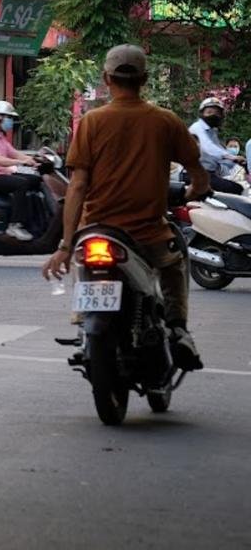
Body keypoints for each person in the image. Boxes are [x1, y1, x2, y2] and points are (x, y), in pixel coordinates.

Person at [43, 44, 208, 371]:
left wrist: (65, 245)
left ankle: (82, 324)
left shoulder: (91, 122)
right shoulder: (165, 122)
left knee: (83, 263)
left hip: (95, 231)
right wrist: (192, 192)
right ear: (144, 79)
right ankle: (177, 329)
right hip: (148, 235)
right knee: (175, 267)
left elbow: (77, 186)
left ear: (106, 78)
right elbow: (199, 176)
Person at [0, 100, 40, 240]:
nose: (10, 121)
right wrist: (22, 162)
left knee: (35, 180)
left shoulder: (0, 136)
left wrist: (35, 159)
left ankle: (33, 220)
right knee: (21, 183)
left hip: (1, 174)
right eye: (9, 117)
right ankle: (14, 225)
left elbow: (13, 152)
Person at [189, 98, 243, 194]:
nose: (213, 115)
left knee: (237, 187)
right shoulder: (197, 127)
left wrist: (238, 163)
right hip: (195, 174)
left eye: (217, 113)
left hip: (209, 173)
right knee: (236, 189)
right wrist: (232, 157)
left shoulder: (212, 132)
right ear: (202, 114)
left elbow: (219, 152)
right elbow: (208, 147)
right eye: (209, 112)